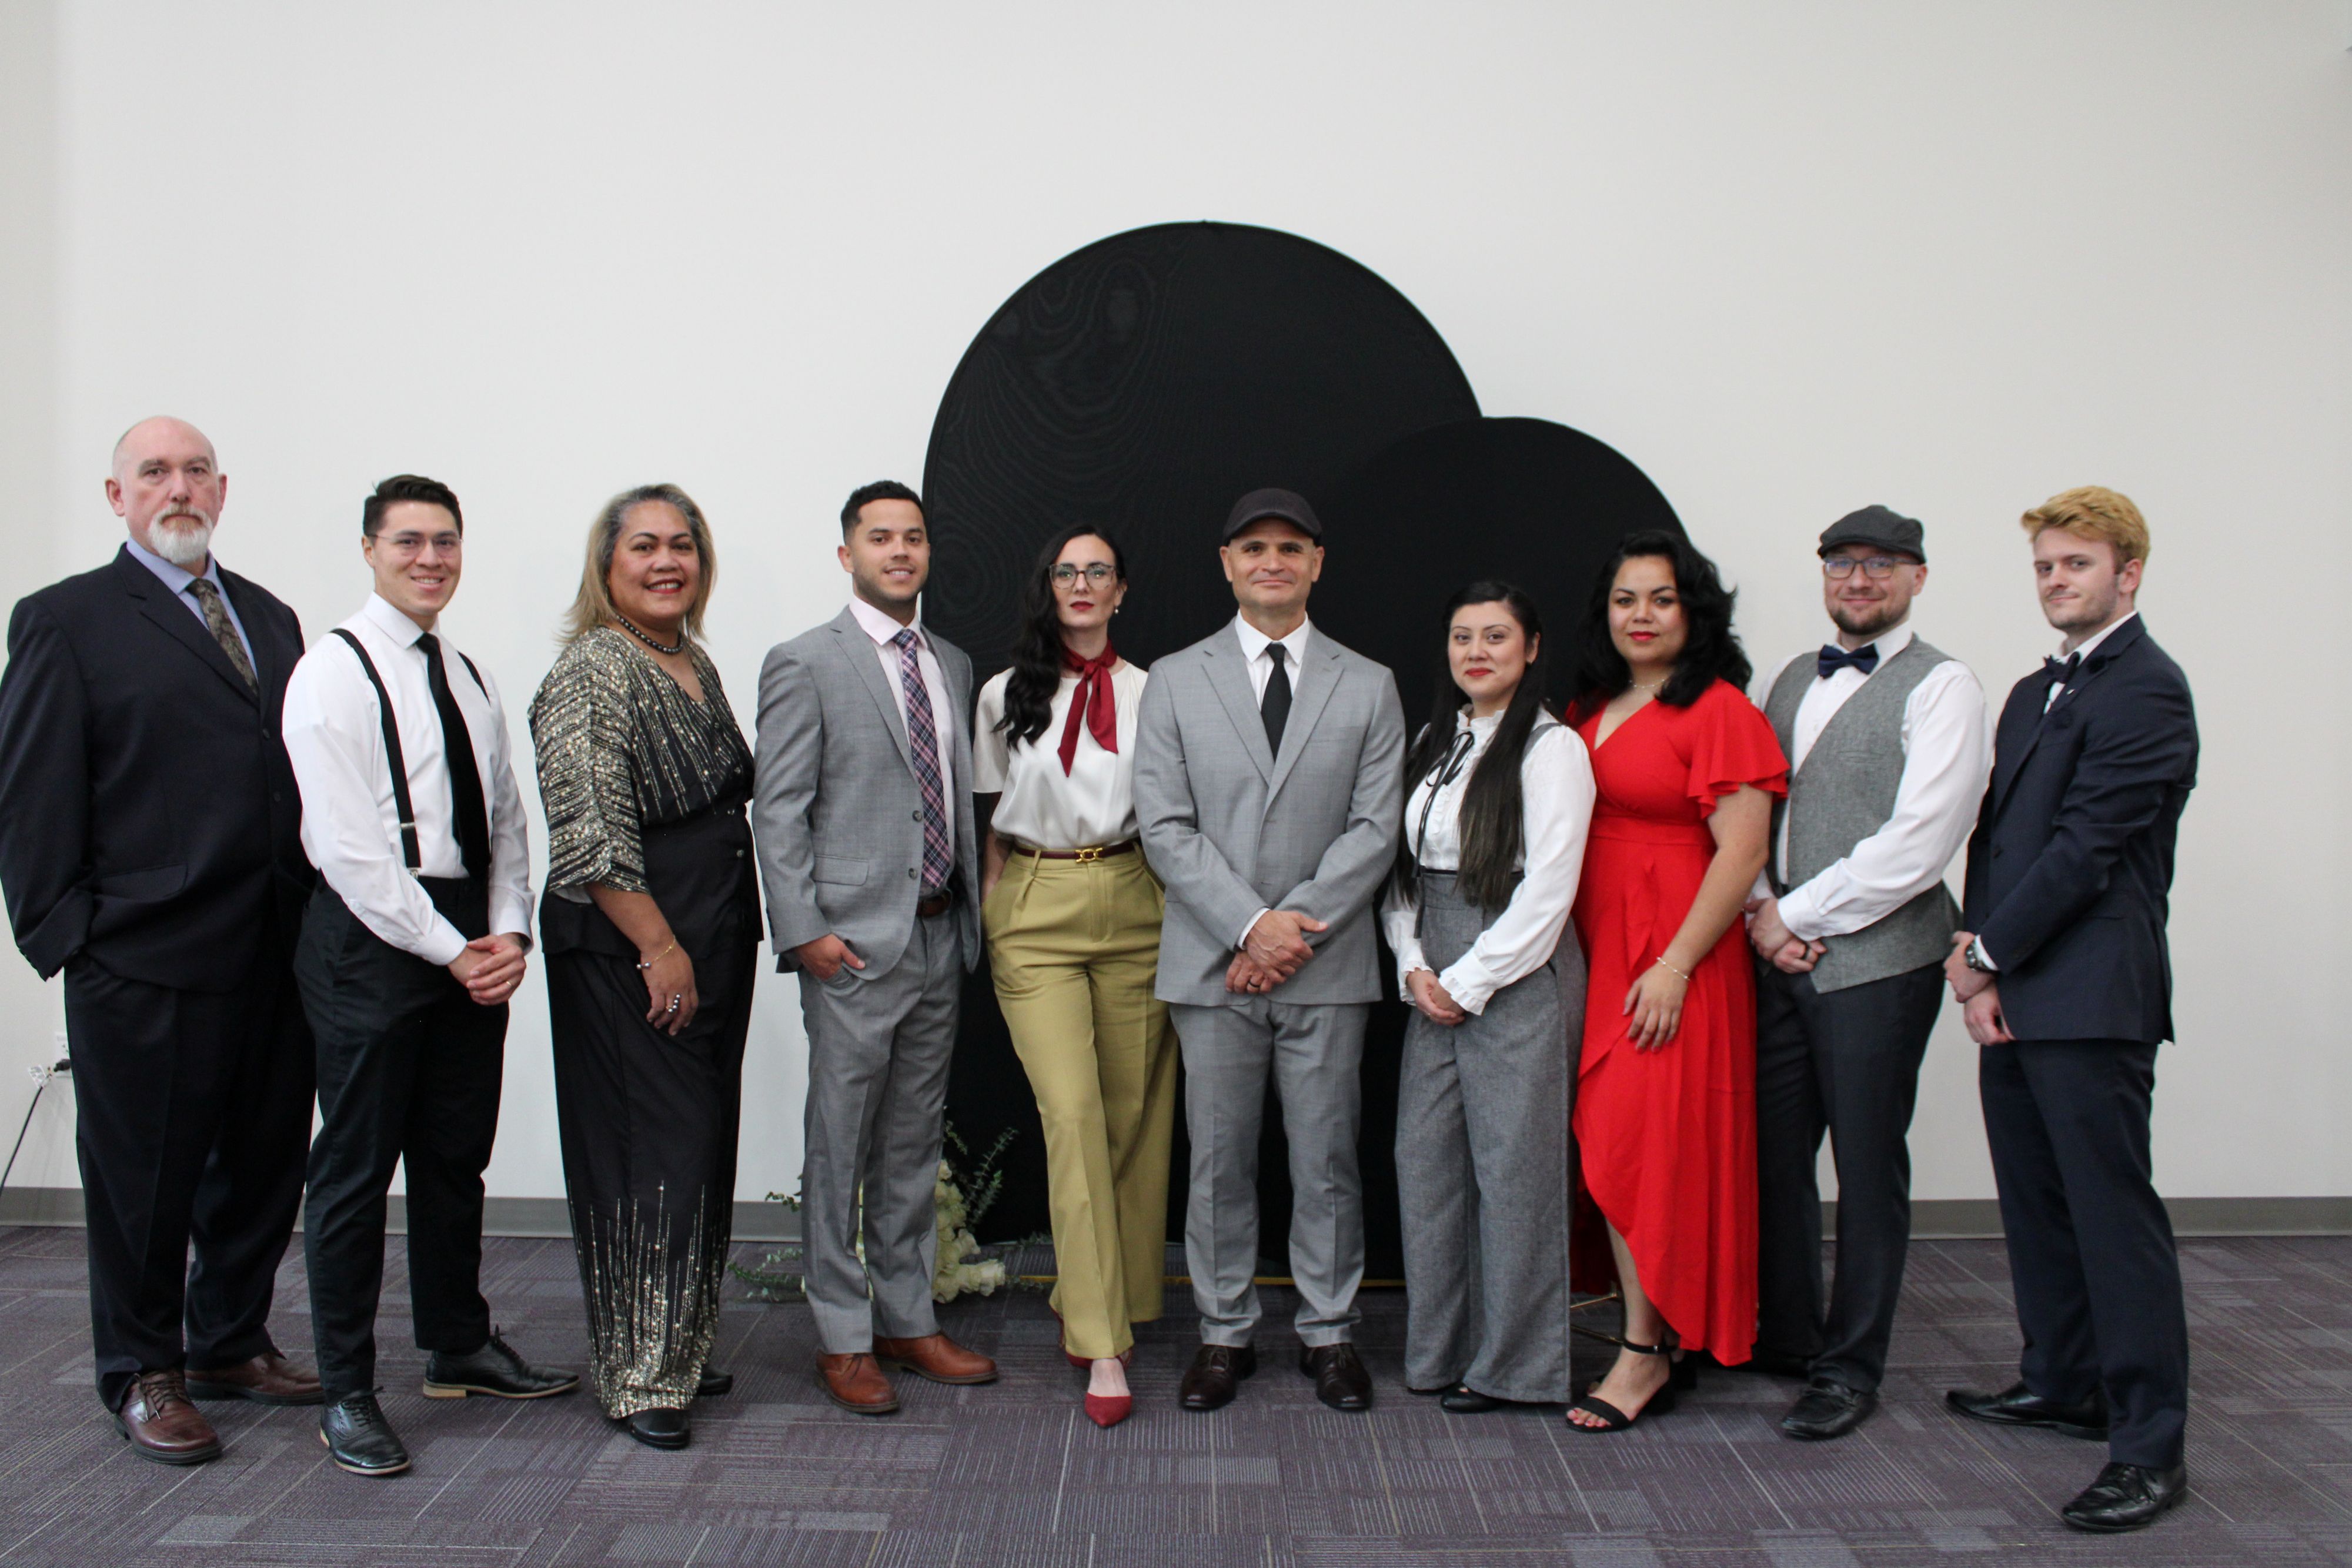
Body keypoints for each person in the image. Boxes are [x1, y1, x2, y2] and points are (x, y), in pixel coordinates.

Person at [0, 417, 320, 1464]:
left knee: (263, 1166)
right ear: (118, 496)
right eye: (154, 473)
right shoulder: (66, 619)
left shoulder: (269, 616)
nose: (177, 489)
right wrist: (68, 936)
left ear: (221, 491)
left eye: (195, 472)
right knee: (142, 1188)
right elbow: (33, 790)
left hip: (272, 950)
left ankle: (229, 1342)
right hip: (141, 958)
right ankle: (143, 1371)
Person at [283, 474, 576, 1476]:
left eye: (446, 540)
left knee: (454, 1158)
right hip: (374, 941)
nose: (430, 559)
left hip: (469, 940)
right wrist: (452, 950)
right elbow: (348, 850)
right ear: (370, 549)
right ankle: (346, 1391)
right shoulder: (331, 671)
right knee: (355, 1172)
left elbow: (505, 819)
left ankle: (458, 1344)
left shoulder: (468, 672)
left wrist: (508, 935)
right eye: (409, 541)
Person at [1943, 487, 2196, 1534]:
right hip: (2018, 988)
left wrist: (1984, 955)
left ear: (2128, 574)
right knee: (2037, 1204)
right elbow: (2001, 840)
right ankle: (2063, 1381)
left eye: (2076, 565)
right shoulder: (2032, 691)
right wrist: (1984, 961)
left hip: (2093, 995)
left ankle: (2148, 1448)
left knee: (2111, 1220)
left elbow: (2087, 851)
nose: (2056, 581)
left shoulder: (2149, 690)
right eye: (2046, 566)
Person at [1132, 487, 1406, 1415]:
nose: (1273, 562)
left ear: (1317, 563)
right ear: (1227, 563)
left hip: (1327, 967)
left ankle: (1330, 1333)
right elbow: (1165, 827)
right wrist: (1252, 927)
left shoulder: (1368, 683)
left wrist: (1290, 931)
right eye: (1255, 547)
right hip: (1214, 964)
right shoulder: (1177, 678)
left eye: (1291, 547)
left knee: (1326, 1159)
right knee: (1218, 1161)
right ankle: (1224, 1333)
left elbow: (1375, 828)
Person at [1742, 506, 1990, 1441]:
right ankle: (1790, 1337)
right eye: (1842, 563)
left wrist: (1795, 916)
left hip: (1882, 963)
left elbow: (1921, 842)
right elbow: (1754, 809)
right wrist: (1763, 913)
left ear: (1917, 578)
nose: (1858, 580)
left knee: (1867, 1164)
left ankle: (1850, 1370)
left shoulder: (1945, 686)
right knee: (1774, 1158)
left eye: (1880, 565)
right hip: (1778, 952)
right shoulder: (1788, 677)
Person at [754, 480, 998, 1415]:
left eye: (914, 537)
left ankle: (906, 1319)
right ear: (846, 554)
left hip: (939, 935)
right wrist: (806, 932)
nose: (900, 551)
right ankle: (842, 1334)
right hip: (851, 950)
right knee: (840, 1145)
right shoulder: (805, 661)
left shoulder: (951, 662)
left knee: (910, 1143)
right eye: (880, 537)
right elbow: (779, 808)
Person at [532, 484, 759, 1451]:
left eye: (683, 546)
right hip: (632, 948)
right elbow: (588, 837)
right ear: (607, 565)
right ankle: (638, 1372)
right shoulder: (594, 668)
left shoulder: (687, 658)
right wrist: (660, 948)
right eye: (644, 547)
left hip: (709, 935)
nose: (667, 562)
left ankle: (677, 1342)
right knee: (645, 1151)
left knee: (698, 1145)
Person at [1563, 529, 1785, 1433]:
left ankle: (1644, 1351)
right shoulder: (1594, 705)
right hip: (1600, 953)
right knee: (1619, 1141)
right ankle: (1660, 1326)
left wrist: (1675, 966)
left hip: (1671, 961)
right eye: (1626, 599)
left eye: (1662, 599)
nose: (1642, 615)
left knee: (1643, 1147)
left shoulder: (1720, 710)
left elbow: (1743, 853)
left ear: (1694, 612)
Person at [974, 526, 1178, 1431]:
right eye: (1067, 571)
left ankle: (1104, 1294)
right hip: (1037, 900)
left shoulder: (1155, 692)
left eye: (1099, 571)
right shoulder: (1001, 694)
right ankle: (1101, 1341)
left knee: (1134, 1116)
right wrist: (995, 907)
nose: (1083, 583)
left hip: (1135, 896)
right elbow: (989, 814)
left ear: (1121, 590)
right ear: (1048, 586)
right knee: (1074, 1113)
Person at [1382, 583, 1593, 1412]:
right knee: (1426, 1166)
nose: (1477, 652)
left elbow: (1549, 892)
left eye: (1497, 636)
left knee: (1515, 1173)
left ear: (1531, 648)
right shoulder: (1436, 738)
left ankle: (1516, 1368)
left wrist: (1468, 982)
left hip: (1515, 968)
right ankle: (1439, 1352)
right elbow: (1402, 874)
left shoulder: (1553, 749)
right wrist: (1412, 965)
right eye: (1463, 636)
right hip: (1431, 967)